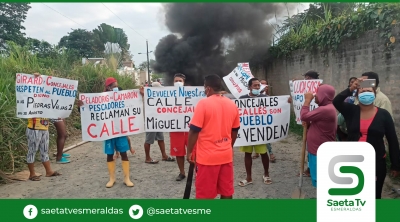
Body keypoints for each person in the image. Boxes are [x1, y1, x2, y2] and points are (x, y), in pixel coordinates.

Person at [333, 78, 400, 199]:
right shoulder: (351, 110)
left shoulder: (384, 114)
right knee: (354, 194)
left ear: (374, 94)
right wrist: (350, 89)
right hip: (353, 160)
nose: (366, 93)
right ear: (357, 95)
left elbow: (392, 140)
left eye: (369, 91)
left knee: (374, 194)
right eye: (362, 91)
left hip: (376, 162)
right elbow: (336, 101)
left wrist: (396, 164)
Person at [186, 74, 240, 199]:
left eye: (205, 88)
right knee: (227, 192)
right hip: (226, 156)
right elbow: (235, 130)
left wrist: (189, 152)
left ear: (208, 88)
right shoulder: (232, 104)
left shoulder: (203, 103)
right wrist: (228, 146)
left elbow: (194, 131)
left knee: (205, 195)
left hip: (207, 159)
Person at [78, 77, 134, 188]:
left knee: (124, 153)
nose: (116, 88)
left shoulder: (121, 95)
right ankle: (112, 178)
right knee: (109, 154)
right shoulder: (101, 98)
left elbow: (132, 102)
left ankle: (127, 178)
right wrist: (80, 106)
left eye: (117, 86)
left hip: (120, 129)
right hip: (108, 130)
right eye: (114, 86)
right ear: (108, 87)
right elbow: (91, 109)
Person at [238, 78, 273, 186]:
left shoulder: (265, 98)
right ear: (249, 87)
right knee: (247, 154)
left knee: (263, 153)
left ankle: (266, 174)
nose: (257, 87)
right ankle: (249, 177)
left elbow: (275, 107)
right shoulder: (242, 99)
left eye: (258, 86)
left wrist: (287, 101)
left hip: (260, 132)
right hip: (247, 132)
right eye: (255, 86)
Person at [300, 84, 337, 188]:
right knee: (317, 177)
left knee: (320, 179)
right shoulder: (325, 108)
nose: (315, 95)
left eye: (318, 93)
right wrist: (310, 126)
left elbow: (303, 116)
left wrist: (307, 101)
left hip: (319, 150)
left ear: (324, 95)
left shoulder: (326, 109)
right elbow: (319, 124)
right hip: (316, 148)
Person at [27, 73, 62, 181]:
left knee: (44, 150)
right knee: (32, 151)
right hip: (34, 128)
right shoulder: (32, 96)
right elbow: (28, 89)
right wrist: (35, 79)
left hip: (44, 128)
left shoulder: (47, 99)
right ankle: (32, 174)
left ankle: (48, 171)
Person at [290, 70, 320, 177]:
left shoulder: (320, 88)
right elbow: (296, 99)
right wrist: (295, 86)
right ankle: (309, 168)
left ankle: (313, 169)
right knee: (309, 147)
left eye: (308, 78)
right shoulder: (304, 88)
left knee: (314, 148)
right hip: (307, 120)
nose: (306, 80)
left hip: (316, 121)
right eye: (305, 78)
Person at [169, 73, 196, 181]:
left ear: (184, 82)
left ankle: (196, 171)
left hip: (190, 128)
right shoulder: (167, 93)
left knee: (194, 151)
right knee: (178, 152)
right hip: (176, 128)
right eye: (175, 81)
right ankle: (182, 172)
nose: (177, 83)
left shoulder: (191, 92)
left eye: (180, 80)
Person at [142, 81, 175, 164]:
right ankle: (147, 158)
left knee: (161, 138)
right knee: (149, 140)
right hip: (151, 121)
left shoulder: (157, 97)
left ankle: (164, 155)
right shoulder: (147, 97)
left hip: (158, 120)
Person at [253, 79, 276, 163]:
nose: (264, 86)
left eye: (265, 84)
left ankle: (271, 153)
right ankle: (257, 152)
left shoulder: (267, 96)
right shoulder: (255, 95)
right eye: (261, 84)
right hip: (255, 118)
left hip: (264, 119)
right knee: (253, 133)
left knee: (265, 135)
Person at [113, 87, 135, 160]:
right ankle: (117, 152)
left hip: (122, 121)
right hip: (113, 121)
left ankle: (130, 148)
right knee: (114, 137)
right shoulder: (111, 99)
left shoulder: (123, 100)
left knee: (126, 137)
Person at [337, 77, 357, 141]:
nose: (353, 83)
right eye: (352, 82)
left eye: (355, 82)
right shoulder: (345, 93)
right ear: (349, 83)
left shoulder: (358, 93)